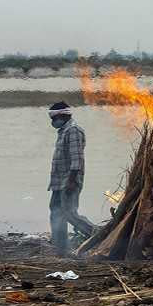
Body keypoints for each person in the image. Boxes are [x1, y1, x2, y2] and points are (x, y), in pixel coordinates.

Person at [47, 101, 95, 256]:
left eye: (54, 117)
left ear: (63, 115)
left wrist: (71, 181)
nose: (53, 121)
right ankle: (61, 249)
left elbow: (77, 160)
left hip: (69, 181)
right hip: (58, 182)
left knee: (70, 214)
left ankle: (97, 236)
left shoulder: (73, 131)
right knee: (55, 212)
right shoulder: (63, 131)